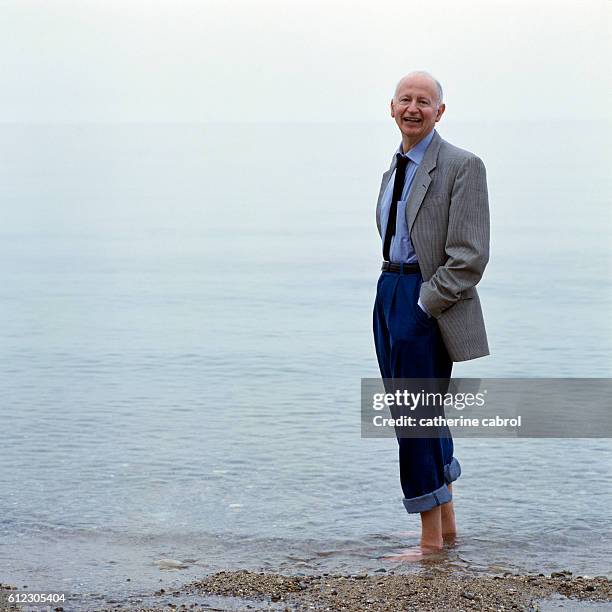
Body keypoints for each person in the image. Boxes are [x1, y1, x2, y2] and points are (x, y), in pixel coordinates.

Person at [373, 71, 490, 557]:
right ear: (392, 107)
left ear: (440, 111)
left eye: (425, 101)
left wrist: (423, 304)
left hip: (425, 298)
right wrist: (395, 297)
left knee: (413, 418)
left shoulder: (463, 165)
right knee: (425, 413)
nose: (413, 108)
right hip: (389, 288)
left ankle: (427, 544)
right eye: (406, 99)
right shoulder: (395, 167)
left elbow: (469, 256)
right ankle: (445, 526)